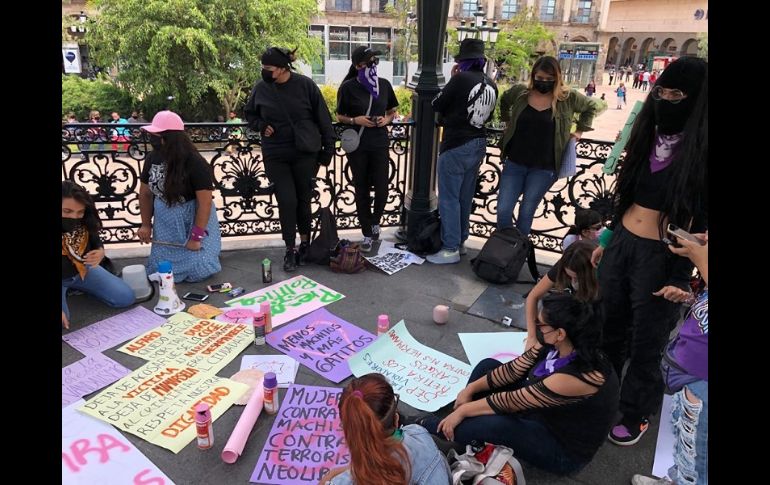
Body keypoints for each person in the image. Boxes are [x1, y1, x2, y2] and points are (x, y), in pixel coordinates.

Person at [591, 57, 707, 446]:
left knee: (648, 340)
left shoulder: (702, 153)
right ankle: (601, 391)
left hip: (663, 255)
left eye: (678, 95)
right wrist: (606, 242)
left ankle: (636, 410)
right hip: (623, 243)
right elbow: (627, 196)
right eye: (662, 92)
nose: (666, 100)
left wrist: (679, 276)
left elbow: (699, 224)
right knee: (609, 324)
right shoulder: (648, 135)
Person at [417, 292, 619, 475]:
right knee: (487, 367)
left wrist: (463, 411)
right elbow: (513, 369)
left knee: (498, 425)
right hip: (543, 412)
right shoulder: (558, 341)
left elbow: (511, 401)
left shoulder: (577, 376)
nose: (536, 327)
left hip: (562, 449)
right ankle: (460, 432)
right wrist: (470, 390)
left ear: (560, 334)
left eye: (541, 324)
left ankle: (425, 426)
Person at [244, 46, 335, 271]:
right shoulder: (261, 88)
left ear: (283, 68)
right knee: (287, 201)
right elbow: (250, 114)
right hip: (275, 153)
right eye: (263, 67)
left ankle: (305, 243)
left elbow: (324, 119)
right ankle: (289, 249)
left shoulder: (306, 85)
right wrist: (261, 125)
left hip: (305, 151)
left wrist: (328, 150)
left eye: (269, 68)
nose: (265, 71)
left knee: (303, 199)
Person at [631, 233, 708, 485]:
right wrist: (692, 298)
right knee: (687, 451)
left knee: (697, 464)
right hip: (689, 371)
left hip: (702, 383)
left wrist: (703, 261)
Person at [496, 56, 598, 237]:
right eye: (539, 78)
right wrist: (506, 120)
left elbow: (591, 106)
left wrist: (580, 131)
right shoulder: (521, 93)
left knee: (526, 212)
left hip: (544, 168)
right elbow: (504, 100)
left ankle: (514, 255)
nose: (543, 82)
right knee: (503, 210)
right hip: (515, 163)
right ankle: (502, 250)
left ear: (556, 78)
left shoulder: (568, 98)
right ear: (533, 75)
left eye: (549, 79)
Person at [427, 38, 497, 264]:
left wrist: (452, 79)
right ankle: (461, 242)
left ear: (462, 62)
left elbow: (436, 104)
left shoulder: (460, 79)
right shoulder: (491, 83)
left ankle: (449, 248)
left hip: (456, 144)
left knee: (448, 199)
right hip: (478, 144)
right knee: (465, 197)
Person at [319, 373, 452, 485]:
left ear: (348, 430)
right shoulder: (419, 435)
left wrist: (332, 477)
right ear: (396, 418)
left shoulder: (344, 481)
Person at [137, 110, 222, 282]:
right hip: (166, 220)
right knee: (160, 267)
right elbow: (145, 193)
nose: (152, 138)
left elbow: (204, 203)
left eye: (155, 134)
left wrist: (196, 237)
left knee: (201, 268)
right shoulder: (152, 158)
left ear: (169, 137)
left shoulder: (195, 162)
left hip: (192, 218)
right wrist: (145, 225)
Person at [336, 46, 399, 253]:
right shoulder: (347, 87)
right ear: (357, 65)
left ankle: (375, 222)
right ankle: (367, 232)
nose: (372, 66)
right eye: (367, 63)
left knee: (382, 189)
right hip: (358, 146)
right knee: (361, 188)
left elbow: (392, 111)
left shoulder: (384, 85)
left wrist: (385, 120)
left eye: (374, 62)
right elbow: (340, 116)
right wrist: (356, 119)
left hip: (379, 142)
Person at [62, 181, 135, 329]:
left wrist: (100, 252)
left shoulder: (84, 221)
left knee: (125, 297)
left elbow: (95, 240)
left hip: (83, 270)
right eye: (67, 211)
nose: (75, 217)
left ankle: (77, 288)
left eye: (80, 212)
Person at [524, 240, 599, 351]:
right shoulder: (568, 263)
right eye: (569, 276)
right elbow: (533, 296)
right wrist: (532, 337)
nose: (573, 281)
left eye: (577, 278)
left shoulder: (607, 282)